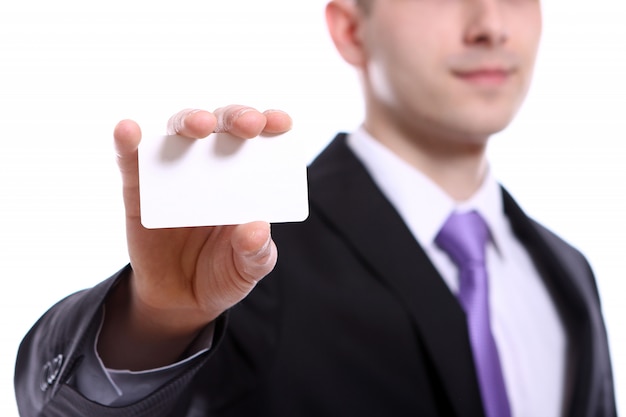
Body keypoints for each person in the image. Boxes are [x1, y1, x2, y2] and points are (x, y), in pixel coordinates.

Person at [15, 0, 616, 416]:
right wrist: (155, 322)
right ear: (352, 29)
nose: (490, 24)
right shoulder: (253, 257)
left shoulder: (569, 273)